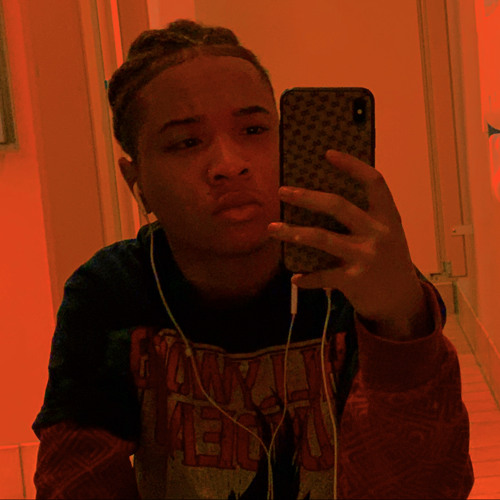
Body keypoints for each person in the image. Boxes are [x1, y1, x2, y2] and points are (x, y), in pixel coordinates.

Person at [32, 19, 474, 499]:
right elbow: (75, 481)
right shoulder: (112, 292)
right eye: (186, 142)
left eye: (254, 129)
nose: (230, 164)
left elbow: (429, 487)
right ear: (135, 180)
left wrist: (400, 327)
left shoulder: (355, 278)